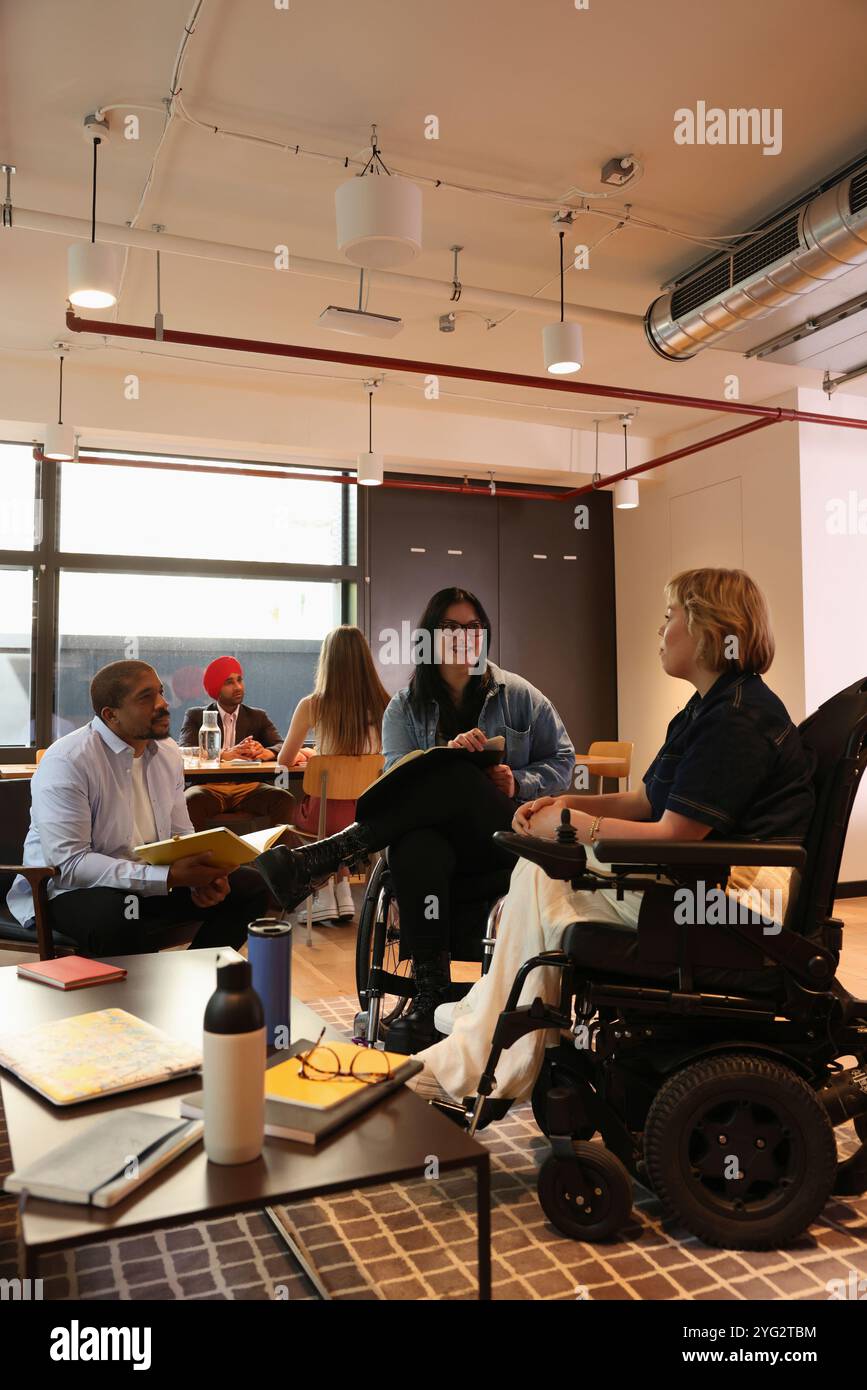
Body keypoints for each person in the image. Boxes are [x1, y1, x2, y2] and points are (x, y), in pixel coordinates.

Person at [404, 568, 817, 1105]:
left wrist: (576, 828)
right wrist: (564, 802)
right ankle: (489, 1021)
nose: (661, 630)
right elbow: (646, 802)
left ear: (708, 628)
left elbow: (675, 834)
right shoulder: (710, 708)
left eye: (671, 618)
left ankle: (484, 1053)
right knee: (538, 869)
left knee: (542, 875)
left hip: (732, 905)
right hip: (703, 883)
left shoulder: (735, 721)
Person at [255, 586, 575, 1048]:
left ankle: (323, 857)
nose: (464, 637)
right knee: (420, 832)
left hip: (501, 838)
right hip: (436, 852)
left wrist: (517, 783)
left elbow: (564, 761)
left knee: (455, 774)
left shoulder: (519, 696)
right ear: (429, 637)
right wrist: (444, 757)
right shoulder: (403, 708)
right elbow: (397, 791)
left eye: (473, 627)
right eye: (450, 628)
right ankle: (429, 998)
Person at [7, 660, 269, 954]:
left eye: (160, 692)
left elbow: (182, 835)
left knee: (250, 887)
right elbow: (71, 865)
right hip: (71, 889)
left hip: (149, 881)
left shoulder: (167, 752)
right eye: (146, 697)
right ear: (111, 715)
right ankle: (138, 996)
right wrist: (169, 877)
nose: (163, 703)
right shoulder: (68, 761)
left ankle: (202, 974)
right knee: (119, 917)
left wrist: (203, 877)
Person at [277, 626, 390, 925]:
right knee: (341, 819)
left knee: (286, 812)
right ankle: (340, 888)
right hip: (369, 816)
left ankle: (323, 891)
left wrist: (315, 757)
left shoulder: (312, 704)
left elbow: (284, 761)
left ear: (327, 661)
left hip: (323, 817)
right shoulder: (386, 704)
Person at [179, 656, 296, 832]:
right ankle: (201, 857)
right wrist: (224, 755)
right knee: (188, 801)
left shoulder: (257, 716)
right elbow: (185, 752)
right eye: (229, 682)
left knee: (284, 799)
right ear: (216, 688)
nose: (238, 687)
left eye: (240, 680)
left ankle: (274, 857)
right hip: (208, 788)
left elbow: (281, 745)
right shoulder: (196, 716)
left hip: (249, 788)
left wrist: (266, 752)